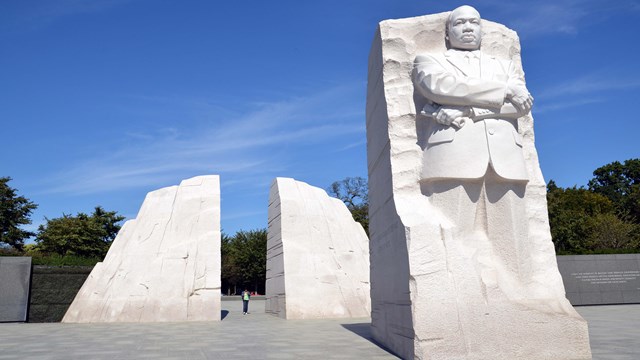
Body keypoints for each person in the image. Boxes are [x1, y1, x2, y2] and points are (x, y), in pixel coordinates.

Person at [412, 5, 535, 288]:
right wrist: (502, 91)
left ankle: (521, 293)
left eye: (474, 22)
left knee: (513, 239)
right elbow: (438, 88)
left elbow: (520, 108)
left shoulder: (505, 66)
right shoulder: (428, 61)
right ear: (447, 32)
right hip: (453, 155)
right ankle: (455, 293)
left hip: (506, 156)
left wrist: (466, 109)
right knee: (453, 232)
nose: (468, 27)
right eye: (460, 23)